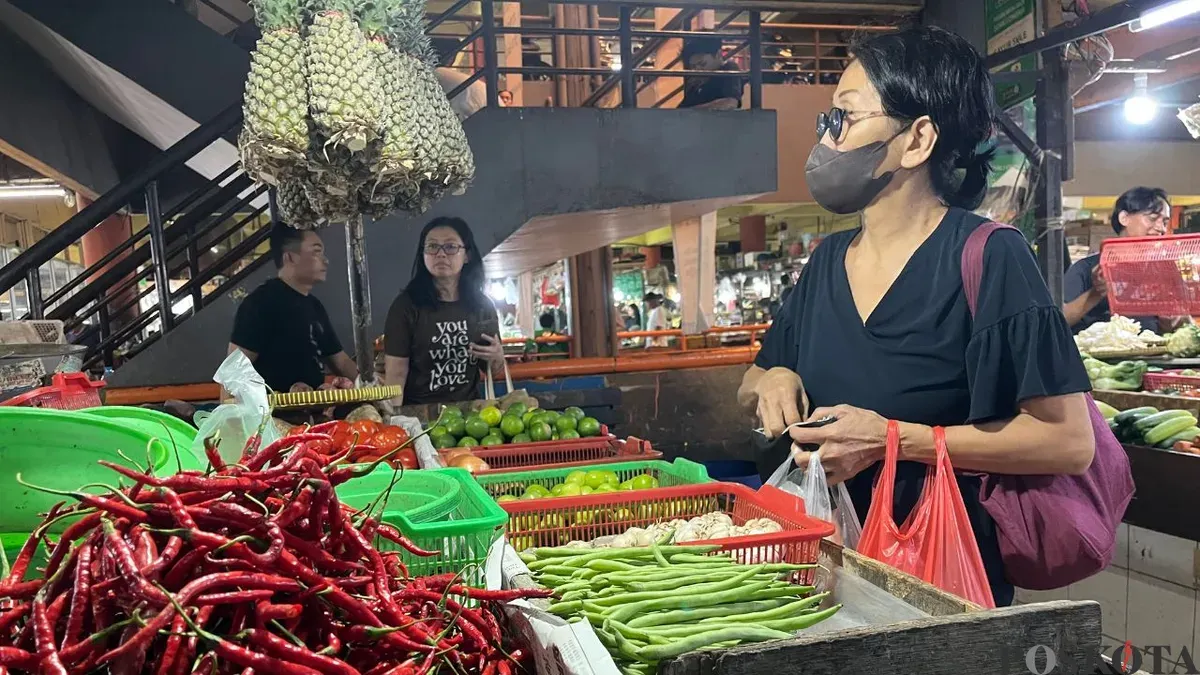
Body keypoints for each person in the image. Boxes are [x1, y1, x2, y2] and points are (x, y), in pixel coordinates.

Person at [736, 26, 1094, 607]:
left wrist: (893, 440)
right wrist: (772, 379)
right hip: (825, 577)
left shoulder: (989, 255)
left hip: (938, 578)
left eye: (843, 118)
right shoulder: (827, 261)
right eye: (827, 121)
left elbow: (1067, 441)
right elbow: (753, 380)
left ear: (917, 139)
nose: (827, 138)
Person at [384, 217, 504, 405]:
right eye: (432, 247)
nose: (440, 254)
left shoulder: (482, 306)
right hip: (419, 413)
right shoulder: (406, 306)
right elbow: (396, 374)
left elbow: (492, 368)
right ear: (422, 254)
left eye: (450, 247)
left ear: (467, 255)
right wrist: (394, 420)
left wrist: (497, 356)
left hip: (470, 415)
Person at [229, 224, 358, 394]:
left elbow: (340, 361)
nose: (325, 260)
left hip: (314, 410)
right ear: (290, 257)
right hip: (274, 414)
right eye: (316, 252)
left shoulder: (314, 306)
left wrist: (372, 386)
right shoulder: (261, 303)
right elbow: (232, 372)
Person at [1063, 186, 1172, 334]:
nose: (1161, 228)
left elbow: (1173, 327)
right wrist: (1097, 292)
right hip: (1096, 355)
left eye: (1165, 222)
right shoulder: (1085, 269)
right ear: (1124, 218)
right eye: (1152, 218)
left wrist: (1173, 321)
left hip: (1151, 354)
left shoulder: (1165, 270)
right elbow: (1060, 321)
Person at [678, 36, 744, 110]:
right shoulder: (697, 82)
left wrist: (689, 112)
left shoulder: (729, 68)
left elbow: (730, 103)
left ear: (718, 54)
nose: (697, 69)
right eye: (693, 67)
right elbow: (681, 109)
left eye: (702, 64)